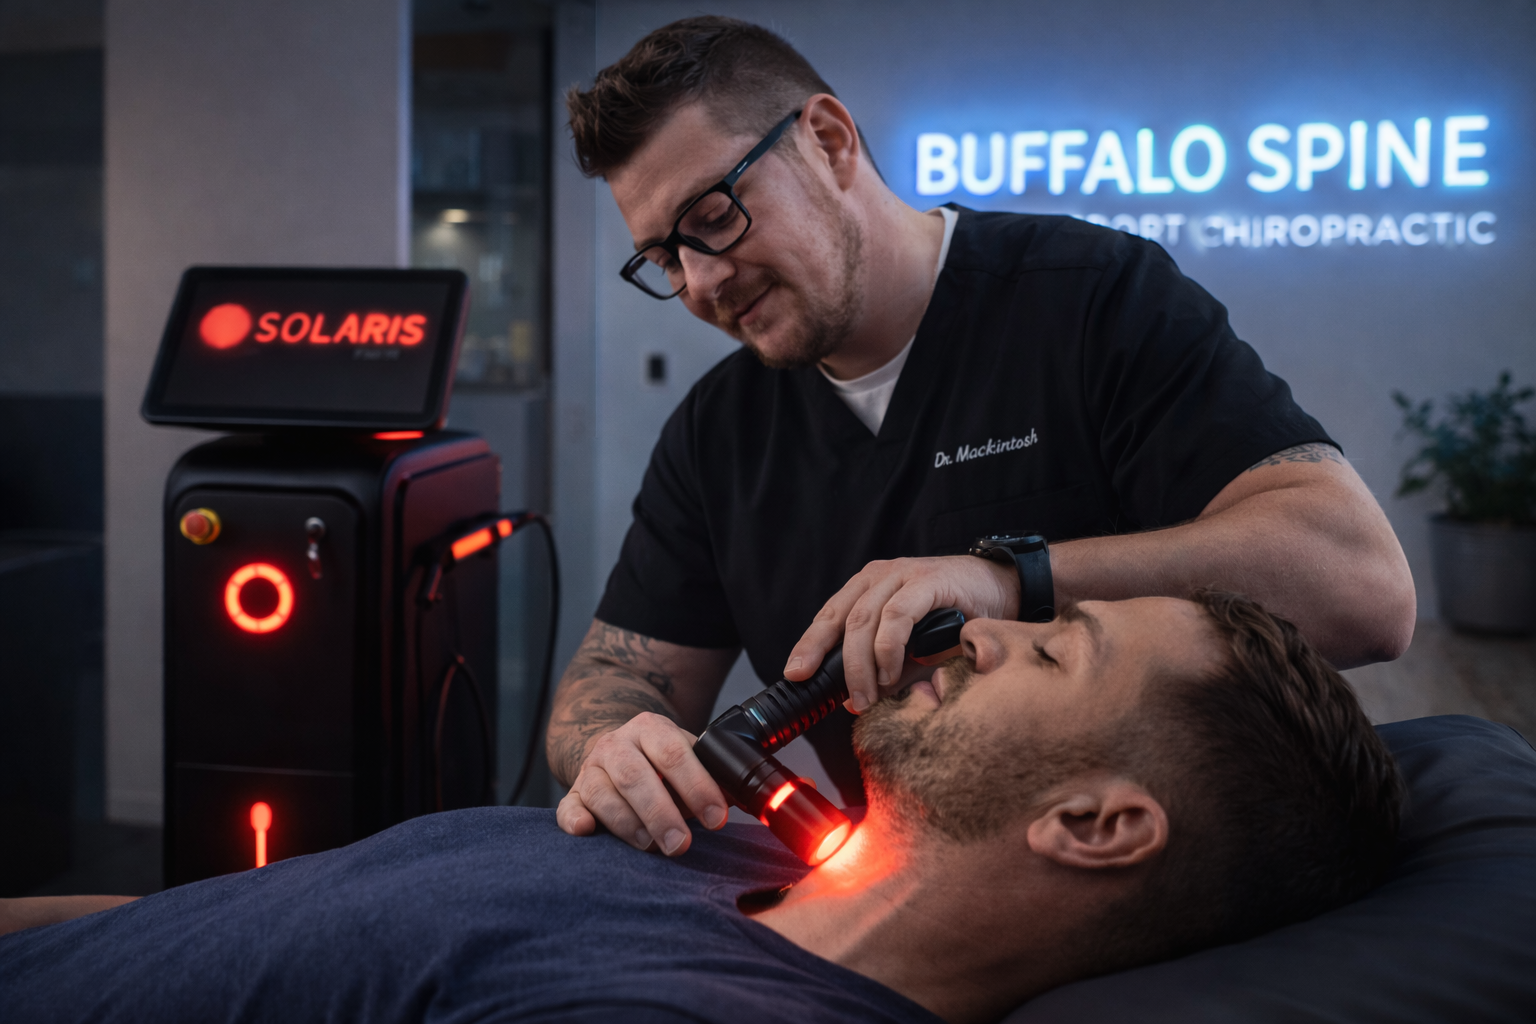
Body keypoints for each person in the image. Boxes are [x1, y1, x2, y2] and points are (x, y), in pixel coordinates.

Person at [548, 15, 1416, 857]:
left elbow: (1361, 589)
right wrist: (613, 747)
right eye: (663, 257)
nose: (701, 283)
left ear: (827, 139)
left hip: (1150, 877)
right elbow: (617, 678)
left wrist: (1010, 581)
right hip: (891, 891)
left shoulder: (1090, 300)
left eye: (713, 215)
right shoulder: (718, 433)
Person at [0, 592, 1402, 1023]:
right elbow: (246, 934)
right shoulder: (727, 837)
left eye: (1048, 651)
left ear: (1096, 825)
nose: (972, 628)